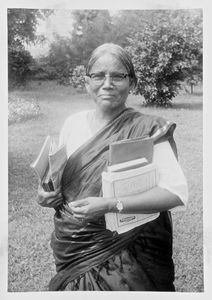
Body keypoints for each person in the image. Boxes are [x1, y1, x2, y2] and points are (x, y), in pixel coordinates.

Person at [37, 43, 188, 291]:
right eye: (98, 75)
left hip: (130, 252)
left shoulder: (149, 129)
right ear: (87, 82)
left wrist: (111, 204)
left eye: (118, 76)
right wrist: (46, 194)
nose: (107, 83)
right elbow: (61, 179)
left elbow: (175, 193)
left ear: (133, 83)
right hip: (75, 243)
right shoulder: (72, 124)